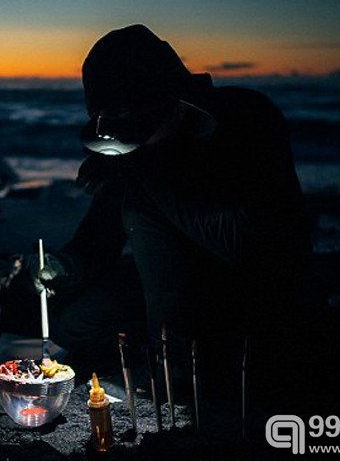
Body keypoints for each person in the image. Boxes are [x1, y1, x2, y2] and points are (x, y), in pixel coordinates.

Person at [18, 25, 310, 375]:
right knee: (75, 324)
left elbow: (244, 244)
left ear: (173, 103)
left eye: (136, 125)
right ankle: (154, 354)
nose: (132, 140)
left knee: (140, 212)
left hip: (250, 289)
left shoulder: (245, 119)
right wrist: (63, 264)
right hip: (160, 281)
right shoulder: (133, 148)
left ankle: (178, 368)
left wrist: (142, 169)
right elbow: (100, 236)